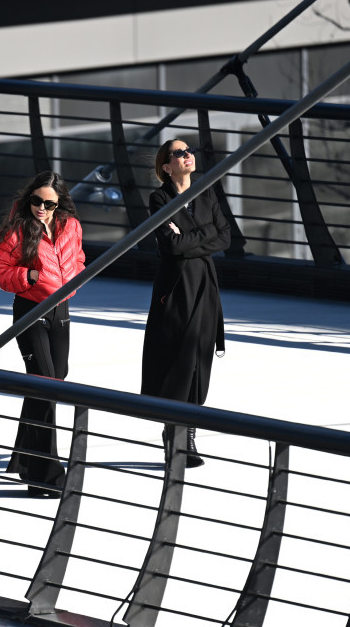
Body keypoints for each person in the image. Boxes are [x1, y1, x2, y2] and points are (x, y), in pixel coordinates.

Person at [0, 171, 86, 497]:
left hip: (60, 311)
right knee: (44, 384)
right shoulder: (17, 230)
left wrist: (76, 275)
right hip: (30, 311)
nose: (41, 208)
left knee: (55, 380)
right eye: (36, 201)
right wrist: (28, 276)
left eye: (49, 203)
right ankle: (46, 475)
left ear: (60, 204)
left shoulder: (71, 226)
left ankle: (24, 458)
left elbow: (78, 257)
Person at [141, 139, 231, 468]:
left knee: (199, 361)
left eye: (189, 150)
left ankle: (189, 435)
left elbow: (225, 237)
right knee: (176, 361)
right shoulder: (160, 198)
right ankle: (174, 434)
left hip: (205, 284)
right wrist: (204, 234)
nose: (187, 155)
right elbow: (171, 247)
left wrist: (188, 238)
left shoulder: (207, 192)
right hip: (176, 287)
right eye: (179, 153)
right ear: (167, 166)